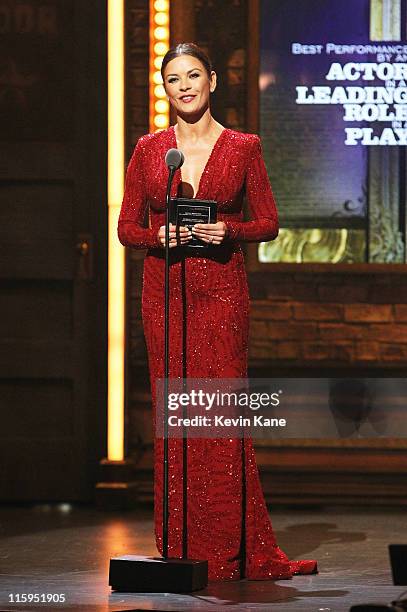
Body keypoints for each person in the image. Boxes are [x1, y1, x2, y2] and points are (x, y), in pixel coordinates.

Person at [117, 42, 318, 581]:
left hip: (221, 292)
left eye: (193, 75)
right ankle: (179, 544)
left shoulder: (244, 147)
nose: (183, 86)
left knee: (219, 415)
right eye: (172, 78)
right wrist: (159, 235)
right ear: (165, 88)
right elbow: (126, 229)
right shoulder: (150, 150)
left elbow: (269, 223)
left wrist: (228, 229)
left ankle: (230, 547)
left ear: (212, 82)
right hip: (166, 292)